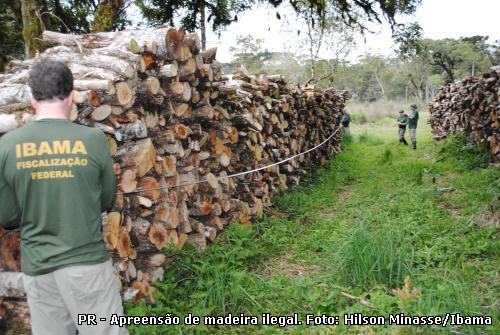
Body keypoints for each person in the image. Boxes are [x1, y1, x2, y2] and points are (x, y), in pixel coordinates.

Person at [0, 60, 128, 335]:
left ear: (32, 98)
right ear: (71, 97)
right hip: (87, 271)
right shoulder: (92, 140)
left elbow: (7, 216)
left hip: (40, 270)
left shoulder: (7, 145)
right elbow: (106, 199)